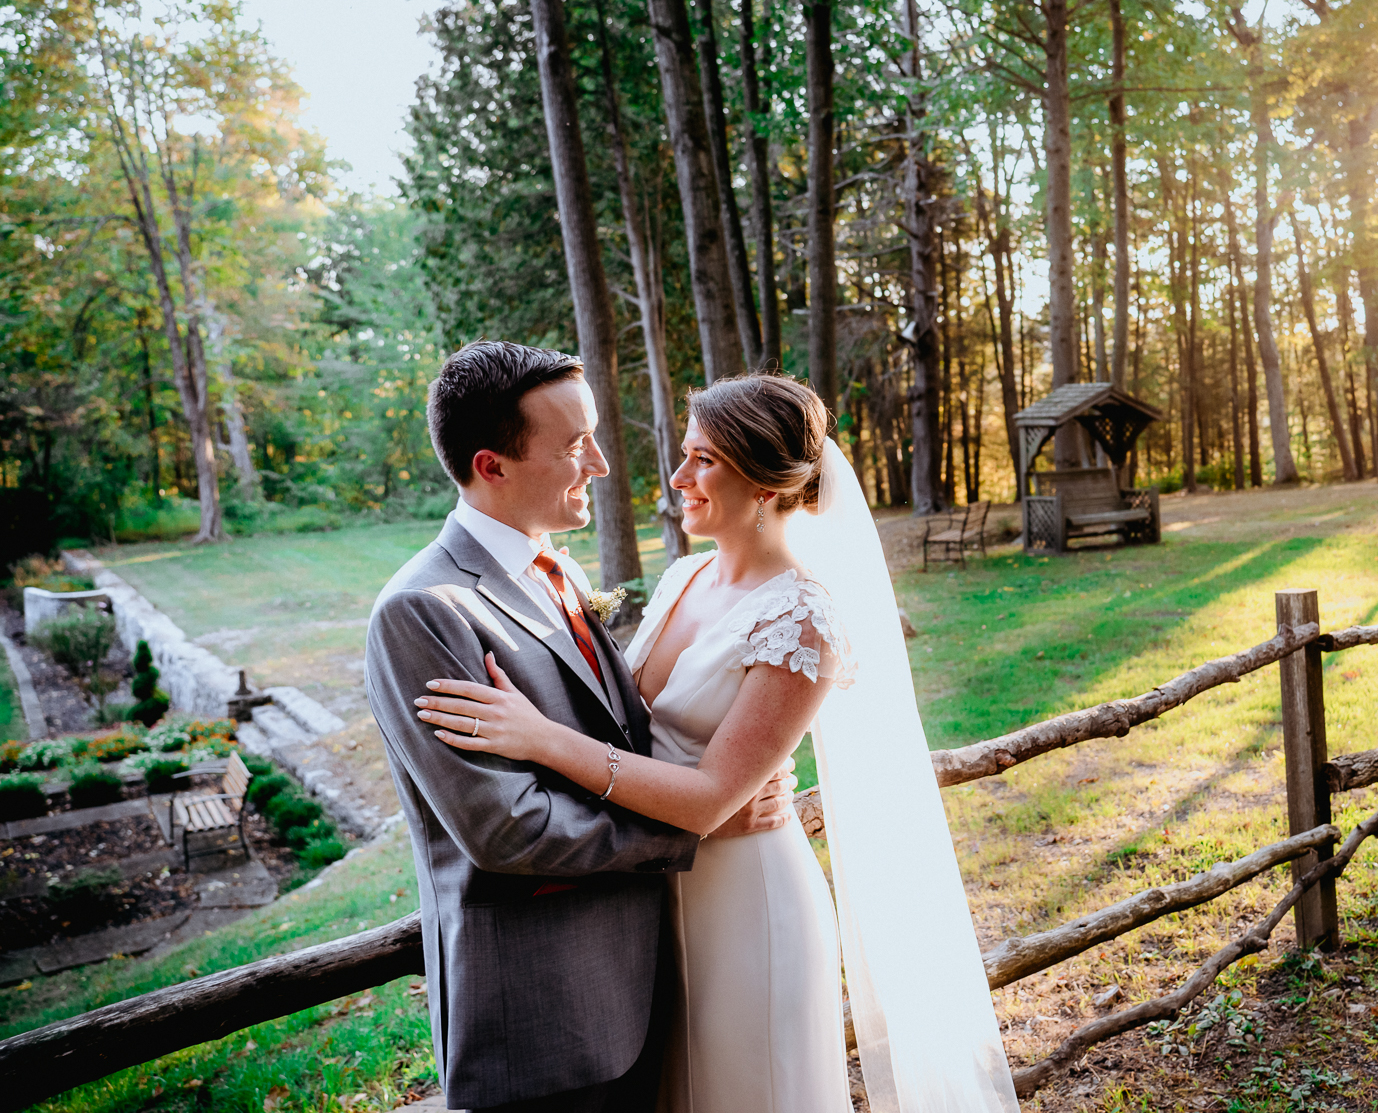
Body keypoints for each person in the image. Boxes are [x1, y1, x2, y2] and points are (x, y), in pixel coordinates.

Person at [417, 373, 1020, 1113]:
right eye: (686, 455)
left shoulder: (804, 618)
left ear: (766, 485)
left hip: (747, 896)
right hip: (655, 896)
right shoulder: (684, 577)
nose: (678, 480)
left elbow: (709, 801)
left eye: (703, 460)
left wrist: (540, 740)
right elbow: (631, 727)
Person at [364, 342, 792, 1113]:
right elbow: (509, 830)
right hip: (545, 1012)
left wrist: (719, 772)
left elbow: (625, 735)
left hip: (647, 977)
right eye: (573, 446)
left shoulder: (559, 569)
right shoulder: (423, 610)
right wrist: (697, 829)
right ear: (492, 466)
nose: (600, 463)